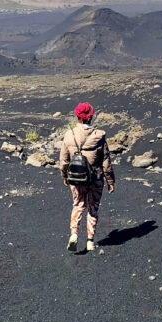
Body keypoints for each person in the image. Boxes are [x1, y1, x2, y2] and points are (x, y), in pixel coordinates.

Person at [60, 102, 115, 252]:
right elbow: (106, 161)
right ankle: (90, 241)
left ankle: (74, 234)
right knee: (93, 207)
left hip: (76, 178)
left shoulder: (69, 135)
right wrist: (110, 181)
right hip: (95, 178)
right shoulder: (99, 135)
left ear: (77, 115)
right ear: (91, 115)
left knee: (78, 205)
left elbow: (64, 160)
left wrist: (64, 176)